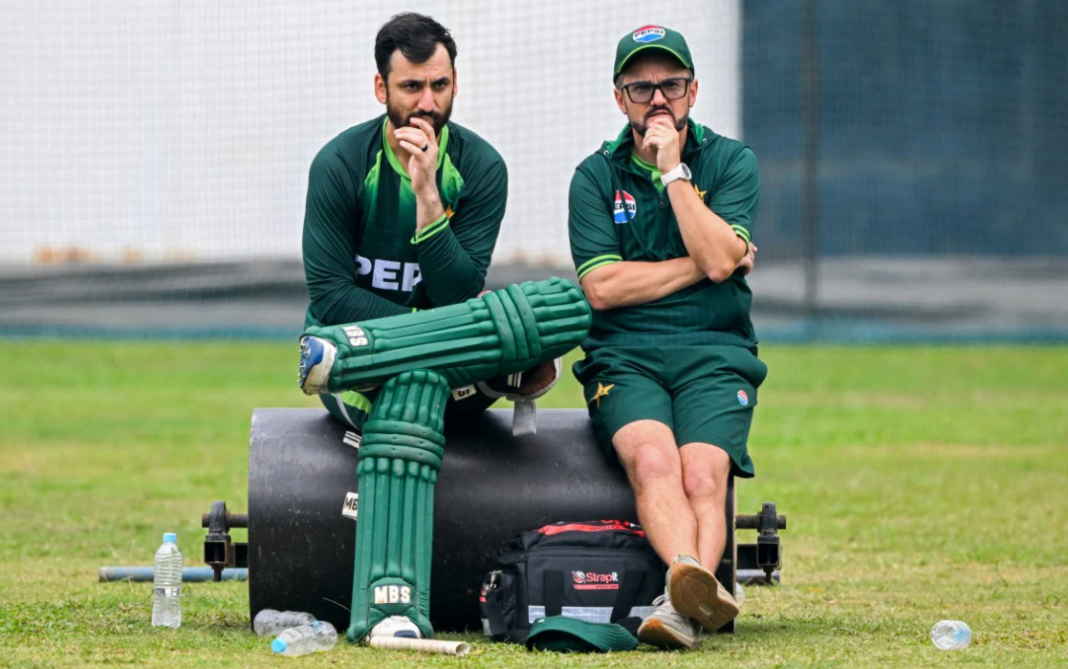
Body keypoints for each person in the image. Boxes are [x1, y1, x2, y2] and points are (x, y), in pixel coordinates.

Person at [567, 25, 765, 650]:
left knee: (704, 473)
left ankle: (678, 607)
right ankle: (692, 600)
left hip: (716, 349)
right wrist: (717, 262)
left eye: (671, 85)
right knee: (654, 461)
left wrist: (674, 171)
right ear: (619, 98)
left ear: (693, 91)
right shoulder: (594, 177)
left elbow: (713, 259)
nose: (658, 100)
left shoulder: (731, 161)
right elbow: (602, 289)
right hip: (623, 355)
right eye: (641, 87)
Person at [301, 12, 508, 431]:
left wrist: (428, 195)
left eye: (440, 85)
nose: (428, 103)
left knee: (511, 333)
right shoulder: (339, 163)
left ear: (455, 81)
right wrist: (430, 331)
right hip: (359, 348)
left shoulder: (483, 167)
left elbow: (458, 291)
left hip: (445, 354)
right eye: (412, 87)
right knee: (403, 421)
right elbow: (330, 297)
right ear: (382, 88)